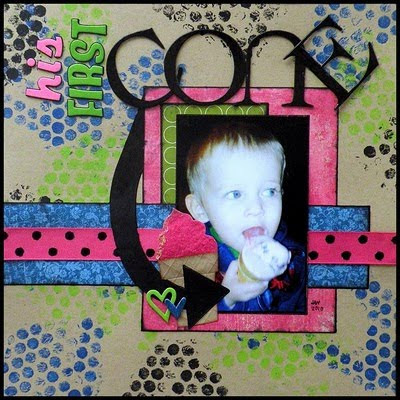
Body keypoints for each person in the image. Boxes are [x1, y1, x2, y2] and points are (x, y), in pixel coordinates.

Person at [184, 120, 306, 313]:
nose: (256, 208)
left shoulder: (298, 256)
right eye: (235, 194)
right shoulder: (191, 265)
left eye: (269, 191)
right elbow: (179, 320)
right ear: (200, 209)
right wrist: (226, 299)